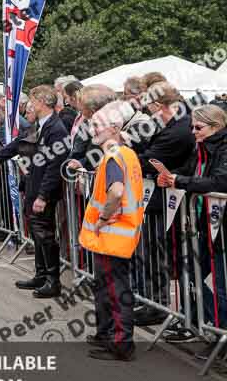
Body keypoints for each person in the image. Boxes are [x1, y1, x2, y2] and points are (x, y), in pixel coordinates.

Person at [158, 104, 227, 360]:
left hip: (219, 228)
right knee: (192, 275)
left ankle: (220, 338)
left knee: (220, 285)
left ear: (215, 127)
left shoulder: (222, 147)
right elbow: (189, 173)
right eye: (192, 128)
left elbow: (220, 182)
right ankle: (205, 324)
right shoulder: (201, 147)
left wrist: (179, 181)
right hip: (204, 225)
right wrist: (169, 176)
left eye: (198, 128)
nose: (194, 133)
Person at [80, 100, 145, 361]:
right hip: (119, 233)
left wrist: (103, 217)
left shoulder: (114, 155)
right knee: (110, 287)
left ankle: (121, 344)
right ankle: (109, 337)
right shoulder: (125, 153)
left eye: (97, 124)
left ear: (115, 127)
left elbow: (116, 191)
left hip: (113, 233)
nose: (91, 128)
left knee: (114, 289)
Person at [0, 85, 68, 298]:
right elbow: (19, 143)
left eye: (33, 101)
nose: (29, 106)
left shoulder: (57, 129)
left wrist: (43, 196)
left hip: (44, 190)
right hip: (33, 185)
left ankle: (53, 281)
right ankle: (41, 274)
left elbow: (54, 166)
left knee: (45, 234)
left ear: (42, 102)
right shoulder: (39, 125)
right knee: (37, 232)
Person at [133, 82, 194, 327]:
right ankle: (153, 302)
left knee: (158, 254)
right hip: (161, 198)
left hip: (170, 201)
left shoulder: (179, 129)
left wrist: (123, 156)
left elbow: (151, 159)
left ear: (159, 105)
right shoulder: (172, 125)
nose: (149, 114)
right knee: (151, 252)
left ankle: (158, 305)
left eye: (150, 108)